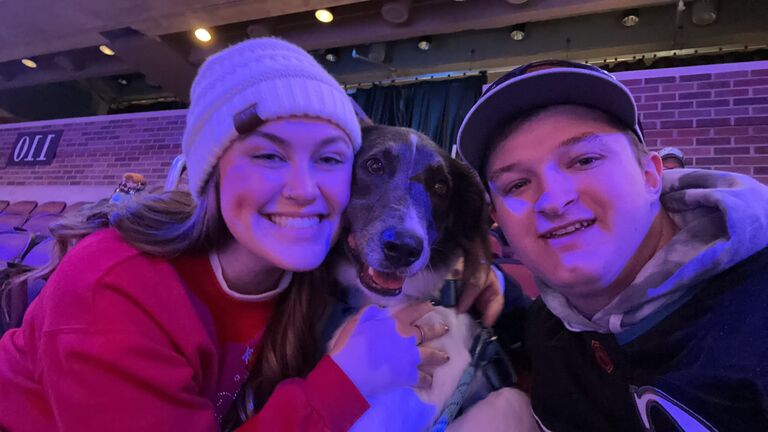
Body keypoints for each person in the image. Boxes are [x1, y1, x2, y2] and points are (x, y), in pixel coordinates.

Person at [0, 38, 489, 432]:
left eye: (330, 159)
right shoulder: (113, 283)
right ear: (212, 173)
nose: (304, 190)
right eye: (269, 156)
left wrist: (489, 276)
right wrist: (346, 382)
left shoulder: (307, 273)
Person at [457, 59, 768, 431]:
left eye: (585, 160)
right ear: (498, 218)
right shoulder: (547, 330)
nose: (553, 200)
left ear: (651, 174)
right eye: (517, 185)